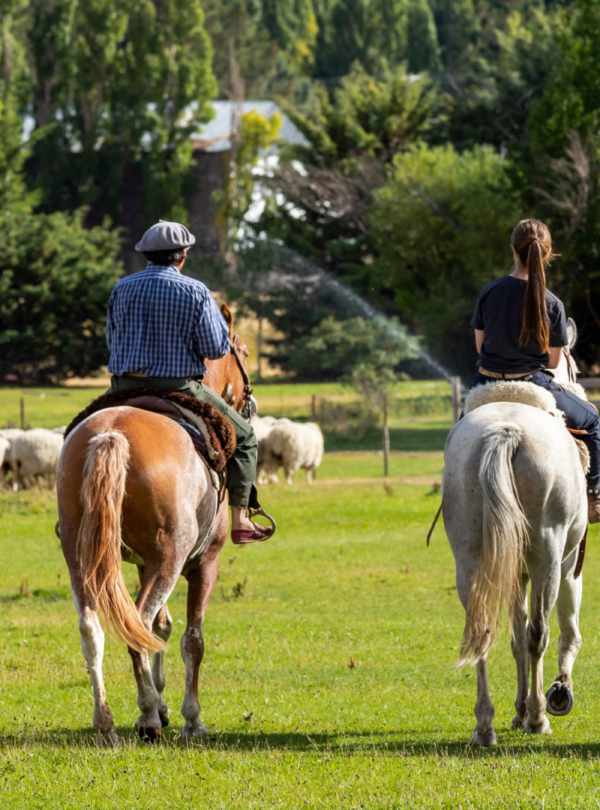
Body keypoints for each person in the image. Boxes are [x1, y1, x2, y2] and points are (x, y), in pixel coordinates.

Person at [106, 220, 272, 543]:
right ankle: (240, 519)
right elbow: (215, 348)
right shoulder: (196, 291)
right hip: (178, 388)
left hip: (123, 388)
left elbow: (113, 342)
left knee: (77, 434)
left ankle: (72, 514)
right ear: (182, 257)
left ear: (146, 255)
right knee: (247, 438)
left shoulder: (121, 289)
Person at [470, 218, 600, 523]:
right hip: (533, 383)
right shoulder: (552, 303)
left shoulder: (489, 292)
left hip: (486, 381)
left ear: (513, 251)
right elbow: (555, 363)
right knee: (593, 421)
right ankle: (594, 497)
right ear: (547, 253)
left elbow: (480, 348)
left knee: (457, 439)